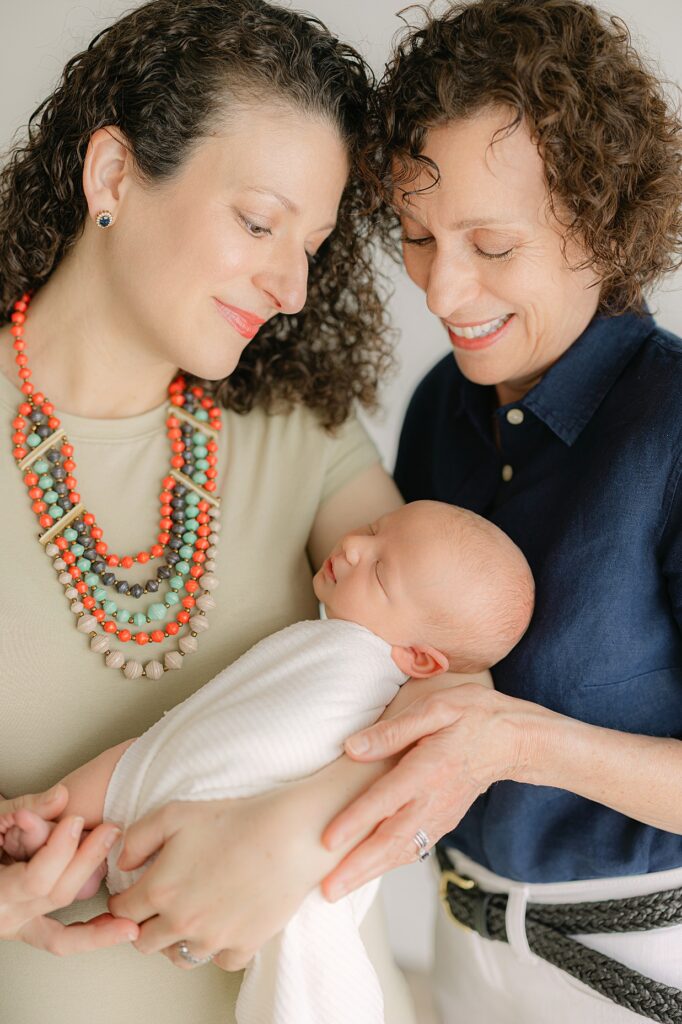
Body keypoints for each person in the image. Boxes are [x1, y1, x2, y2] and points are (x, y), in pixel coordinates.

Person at [0, 1, 417, 1021]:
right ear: (112, 176)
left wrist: (295, 834)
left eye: (312, 244)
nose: (290, 285)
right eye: (259, 221)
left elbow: (458, 675)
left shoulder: (301, 434)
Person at [314, 2, 682, 1022]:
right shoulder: (444, 403)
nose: (443, 288)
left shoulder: (673, 424)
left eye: (491, 244)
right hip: (455, 951)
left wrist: (517, 743)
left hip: (646, 969)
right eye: (421, 238)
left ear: (602, 222)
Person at [0, 499, 534, 1024]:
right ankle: (60, 840)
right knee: (141, 758)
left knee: (309, 923)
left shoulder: (375, 684)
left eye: (379, 573)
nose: (351, 545)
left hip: (229, 854)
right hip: (153, 786)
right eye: (372, 528)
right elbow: (211, 723)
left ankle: (78, 848)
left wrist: (301, 826)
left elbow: (454, 705)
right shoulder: (331, 638)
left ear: (419, 658)